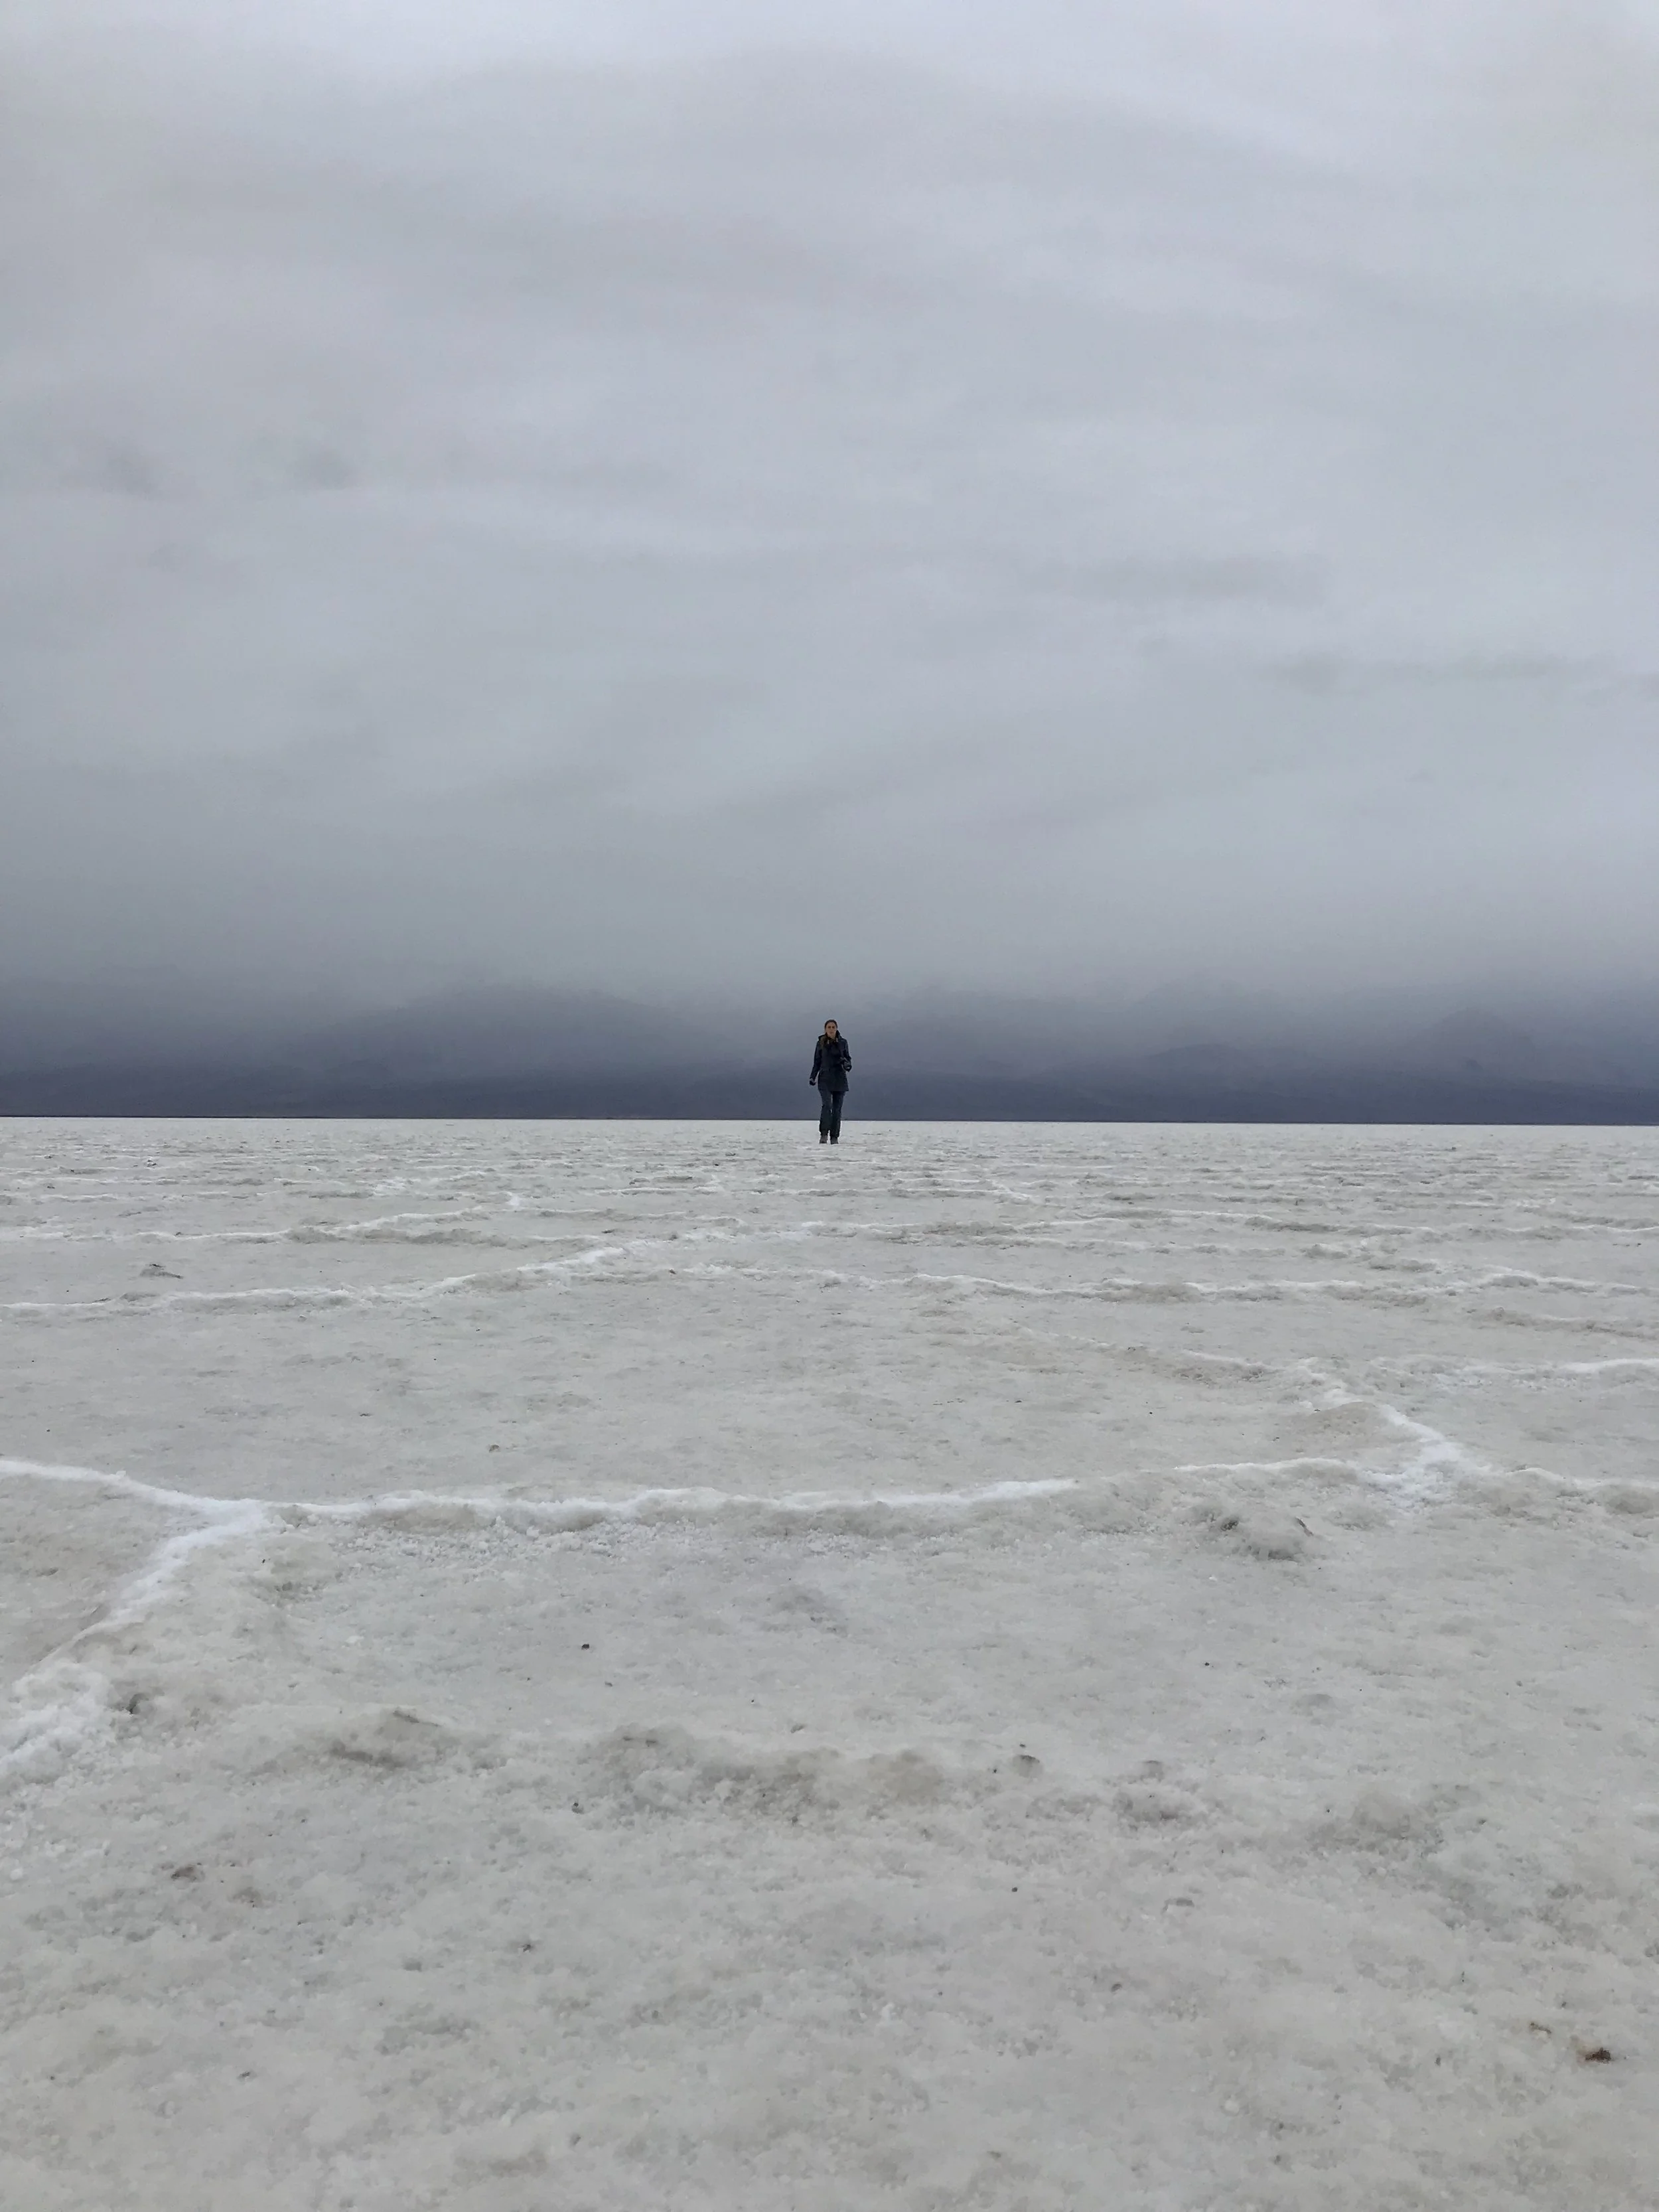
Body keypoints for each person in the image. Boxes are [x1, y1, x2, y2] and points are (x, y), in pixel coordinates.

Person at [810, 1017, 851, 1143]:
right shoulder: (821, 1043)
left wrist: (847, 1064)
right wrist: (813, 1076)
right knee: (827, 1106)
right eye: (829, 1027)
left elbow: (848, 1059)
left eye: (833, 1027)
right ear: (825, 1029)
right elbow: (817, 1061)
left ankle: (835, 1137)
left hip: (840, 1079)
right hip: (825, 1079)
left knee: (837, 1109)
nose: (831, 1029)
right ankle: (824, 1134)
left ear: (837, 1029)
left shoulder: (843, 1043)